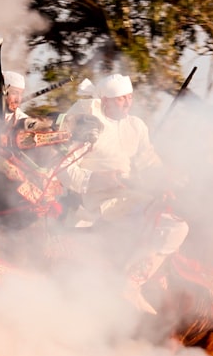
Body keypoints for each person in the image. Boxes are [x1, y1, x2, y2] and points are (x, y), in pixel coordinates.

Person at [62, 73, 188, 314]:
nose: (128, 103)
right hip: (98, 203)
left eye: (130, 97)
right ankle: (131, 283)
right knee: (175, 227)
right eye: (121, 99)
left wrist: (166, 178)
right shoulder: (88, 123)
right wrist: (97, 179)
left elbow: (149, 162)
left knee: (177, 221)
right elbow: (64, 169)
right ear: (106, 101)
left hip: (132, 198)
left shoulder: (136, 126)